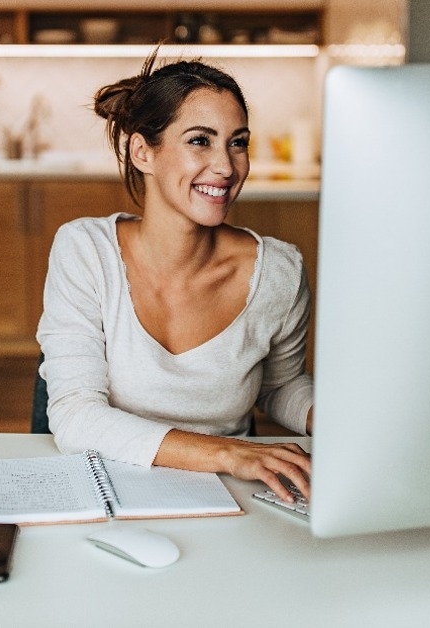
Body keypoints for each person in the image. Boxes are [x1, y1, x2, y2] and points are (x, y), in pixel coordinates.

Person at [35, 50, 315, 502]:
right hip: (110, 488)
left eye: (238, 142)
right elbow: (74, 416)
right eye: (200, 141)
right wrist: (227, 453)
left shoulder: (279, 272)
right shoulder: (86, 252)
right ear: (143, 151)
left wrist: (331, 416)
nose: (226, 167)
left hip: (234, 497)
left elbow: (279, 384)